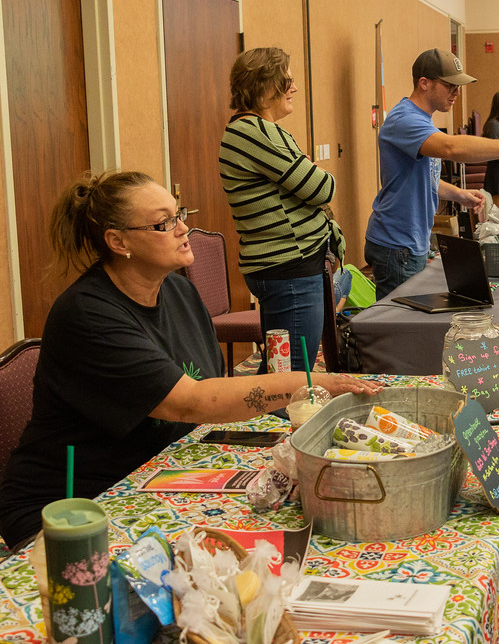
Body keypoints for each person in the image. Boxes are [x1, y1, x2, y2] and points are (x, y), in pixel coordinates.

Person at [0, 171, 381, 551]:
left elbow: (214, 386)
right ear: (118, 241)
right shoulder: (87, 314)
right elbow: (194, 401)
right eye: (164, 222)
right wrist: (313, 382)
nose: (184, 228)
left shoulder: (179, 290)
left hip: (163, 473)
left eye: (179, 213)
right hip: (78, 506)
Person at [364, 48, 499, 300]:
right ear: (424, 83)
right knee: (400, 328)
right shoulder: (404, 119)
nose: (457, 92)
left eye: (459, 86)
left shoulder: (422, 119)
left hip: (409, 242)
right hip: (398, 245)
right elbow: (451, 147)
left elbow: (426, 178)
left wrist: (459, 194)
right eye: (450, 85)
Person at [220, 47, 341, 373]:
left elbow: (304, 184)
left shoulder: (248, 131)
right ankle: (260, 422)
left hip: (286, 269)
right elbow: (322, 188)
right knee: (290, 375)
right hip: (290, 269)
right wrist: (317, 175)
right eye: (285, 81)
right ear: (263, 89)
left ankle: (258, 420)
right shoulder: (258, 133)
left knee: (280, 367)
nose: (294, 88)